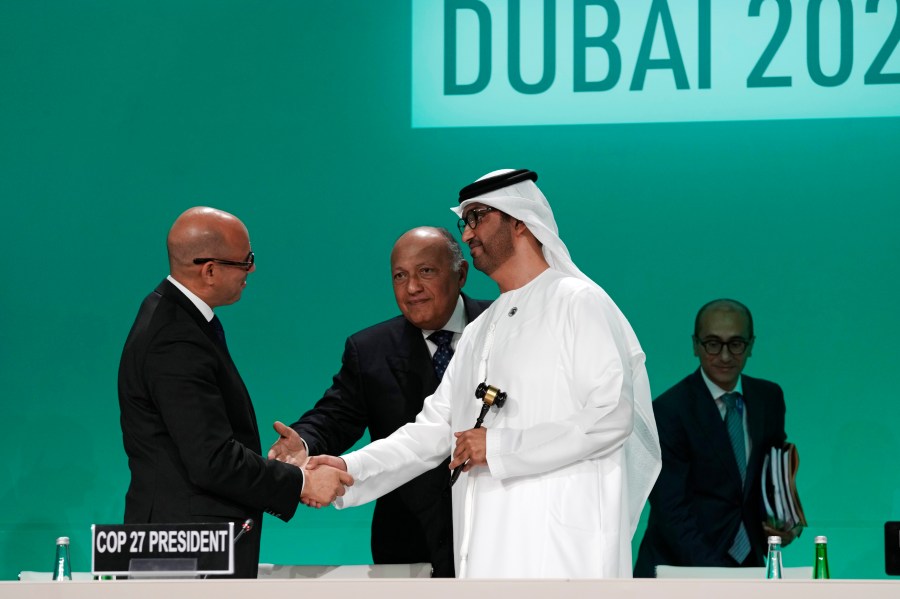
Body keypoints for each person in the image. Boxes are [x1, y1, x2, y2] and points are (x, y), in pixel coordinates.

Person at [302, 169, 661, 578]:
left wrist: (502, 447)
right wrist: (350, 470)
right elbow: (432, 431)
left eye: (478, 218)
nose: (468, 234)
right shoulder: (481, 329)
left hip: (561, 553)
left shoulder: (578, 302)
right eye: (465, 221)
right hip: (488, 549)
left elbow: (611, 415)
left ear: (520, 220)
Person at [118, 206, 353, 578]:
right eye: (246, 261)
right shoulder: (175, 337)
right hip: (186, 548)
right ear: (209, 270)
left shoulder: (174, 317)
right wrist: (302, 481)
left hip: (185, 541)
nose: (252, 270)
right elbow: (211, 460)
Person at [267, 226, 491, 577]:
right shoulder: (371, 349)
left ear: (460, 273)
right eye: (400, 276)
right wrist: (305, 442)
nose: (412, 287)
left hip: (497, 524)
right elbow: (336, 415)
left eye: (426, 271)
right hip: (410, 535)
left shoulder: (502, 328)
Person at [634, 299, 796, 577]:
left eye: (736, 344)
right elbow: (671, 511)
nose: (724, 356)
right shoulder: (669, 411)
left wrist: (784, 520)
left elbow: (773, 473)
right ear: (695, 345)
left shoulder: (768, 398)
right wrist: (720, 579)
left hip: (750, 564)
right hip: (681, 568)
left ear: (751, 345)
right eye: (712, 343)